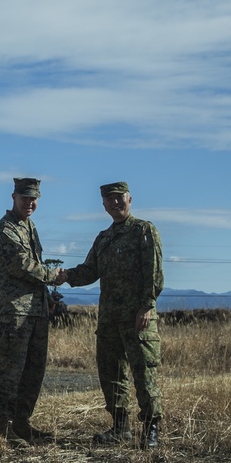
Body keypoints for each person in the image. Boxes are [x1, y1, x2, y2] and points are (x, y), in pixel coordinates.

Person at [60, 182, 164, 449]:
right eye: (110, 200)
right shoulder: (103, 238)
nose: (115, 204)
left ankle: (151, 429)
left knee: (143, 374)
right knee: (112, 374)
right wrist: (65, 276)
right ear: (104, 205)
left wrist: (146, 306)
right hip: (108, 320)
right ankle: (120, 428)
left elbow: (154, 273)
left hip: (137, 317)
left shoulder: (144, 231)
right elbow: (89, 271)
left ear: (130, 199)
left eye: (120, 198)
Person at [0, 177, 65, 444]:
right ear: (13, 197)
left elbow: (33, 267)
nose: (30, 203)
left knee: (33, 371)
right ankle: (5, 427)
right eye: (25, 198)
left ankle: (22, 423)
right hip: (16, 314)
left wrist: (46, 299)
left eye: (34, 199)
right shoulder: (6, 229)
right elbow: (22, 266)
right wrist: (53, 275)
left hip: (35, 311)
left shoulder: (29, 227)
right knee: (10, 371)